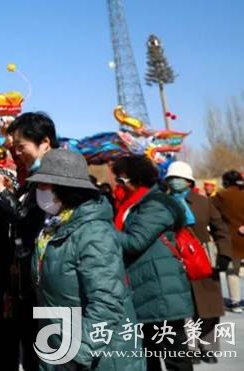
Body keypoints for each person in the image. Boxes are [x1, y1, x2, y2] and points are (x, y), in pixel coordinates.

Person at [29, 149, 143, 369]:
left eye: (44, 185)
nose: (39, 190)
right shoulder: (52, 229)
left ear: (64, 189)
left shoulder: (93, 232)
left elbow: (107, 302)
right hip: (59, 346)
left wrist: (78, 351)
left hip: (98, 356)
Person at [0, 112, 55, 371]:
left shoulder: (53, 177)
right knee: (37, 352)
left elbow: (29, 220)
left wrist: (1, 192)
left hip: (50, 280)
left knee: (54, 354)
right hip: (31, 280)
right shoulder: (34, 178)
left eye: (21, 147)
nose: (17, 153)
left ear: (45, 142)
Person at [112, 155, 193, 371]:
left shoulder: (155, 205)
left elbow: (134, 242)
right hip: (145, 286)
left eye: (121, 180)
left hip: (161, 289)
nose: (118, 185)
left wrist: (101, 228)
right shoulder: (134, 204)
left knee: (175, 356)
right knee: (149, 355)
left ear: (137, 179)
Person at [164, 161, 232, 363]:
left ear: (189, 181)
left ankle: (207, 346)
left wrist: (224, 254)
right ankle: (190, 348)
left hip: (203, 261)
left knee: (209, 308)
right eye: (172, 178)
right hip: (175, 261)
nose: (175, 181)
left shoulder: (204, 203)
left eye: (179, 178)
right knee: (184, 310)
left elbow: (220, 229)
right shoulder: (163, 203)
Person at [213, 170, 244, 313]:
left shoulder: (221, 196)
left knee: (232, 272)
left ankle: (235, 302)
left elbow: (211, 212)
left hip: (231, 239)